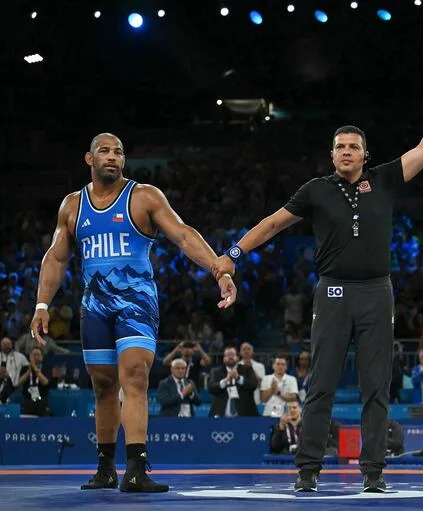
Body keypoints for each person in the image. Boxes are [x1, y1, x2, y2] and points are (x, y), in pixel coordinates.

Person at [211, 63, 423, 492]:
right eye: (340, 147)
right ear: (332, 155)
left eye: (353, 147)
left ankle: (374, 474)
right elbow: (273, 224)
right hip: (331, 292)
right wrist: (233, 254)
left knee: (376, 387)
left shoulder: (384, 179)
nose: (346, 152)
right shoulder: (316, 189)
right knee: (321, 384)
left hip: (376, 293)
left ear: (365, 153)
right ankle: (307, 470)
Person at [29, 133, 237, 492]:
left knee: (135, 376)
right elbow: (57, 256)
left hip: (136, 302)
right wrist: (42, 305)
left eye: (119, 152)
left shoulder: (143, 196)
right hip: (95, 306)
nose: (113, 157)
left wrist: (219, 270)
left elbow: (184, 236)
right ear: (89, 159)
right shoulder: (72, 205)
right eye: (105, 151)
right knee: (103, 385)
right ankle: (106, 467)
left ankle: (137, 467)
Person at [208, 346, 259, 417]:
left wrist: (238, 378)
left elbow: (254, 385)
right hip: (221, 416)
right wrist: (225, 381)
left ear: (237, 357)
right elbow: (211, 388)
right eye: (227, 355)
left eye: (232, 355)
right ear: (223, 359)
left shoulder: (247, 369)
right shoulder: (216, 371)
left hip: (244, 416)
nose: (230, 357)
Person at [17, 347, 50, 416]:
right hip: (27, 400)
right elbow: (19, 383)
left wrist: (35, 368)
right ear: (30, 356)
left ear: (42, 357)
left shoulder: (46, 367)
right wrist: (28, 372)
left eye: (38, 355)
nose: (35, 357)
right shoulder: (24, 368)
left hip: (41, 400)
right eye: (34, 355)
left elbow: (45, 382)